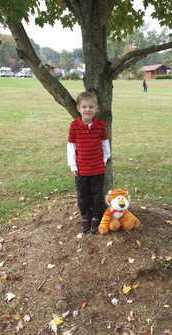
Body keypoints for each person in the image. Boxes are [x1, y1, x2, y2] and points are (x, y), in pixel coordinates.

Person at [67, 91, 111, 234]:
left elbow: (105, 143)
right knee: (82, 195)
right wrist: (73, 165)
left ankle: (96, 216)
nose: (88, 110)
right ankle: (86, 216)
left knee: (97, 195)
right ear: (78, 108)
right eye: (84, 107)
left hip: (97, 168)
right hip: (81, 169)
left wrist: (105, 159)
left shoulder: (100, 125)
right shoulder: (74, 126)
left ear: (96, 109)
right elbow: (71, 147)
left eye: (91, 107)